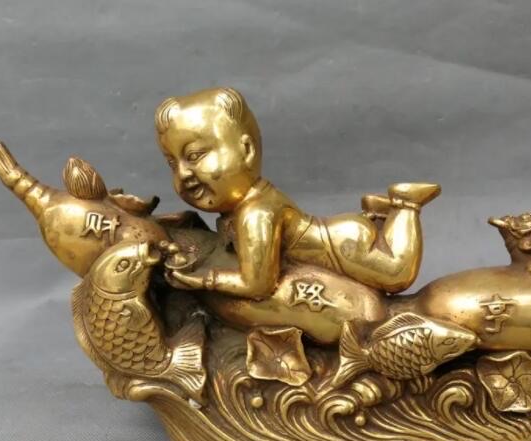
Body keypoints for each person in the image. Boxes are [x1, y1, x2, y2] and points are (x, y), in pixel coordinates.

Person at [156, 87, 440, 298]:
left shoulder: (257, 213)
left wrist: (203, 280)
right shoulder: (247, 206)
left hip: (341, 246)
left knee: (397, 273)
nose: (183, 173)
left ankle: (405, 204)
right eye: (172, 164)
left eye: (195, 156)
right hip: (340, 234)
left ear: (246, 150)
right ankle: (381, 211)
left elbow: (258, 285)